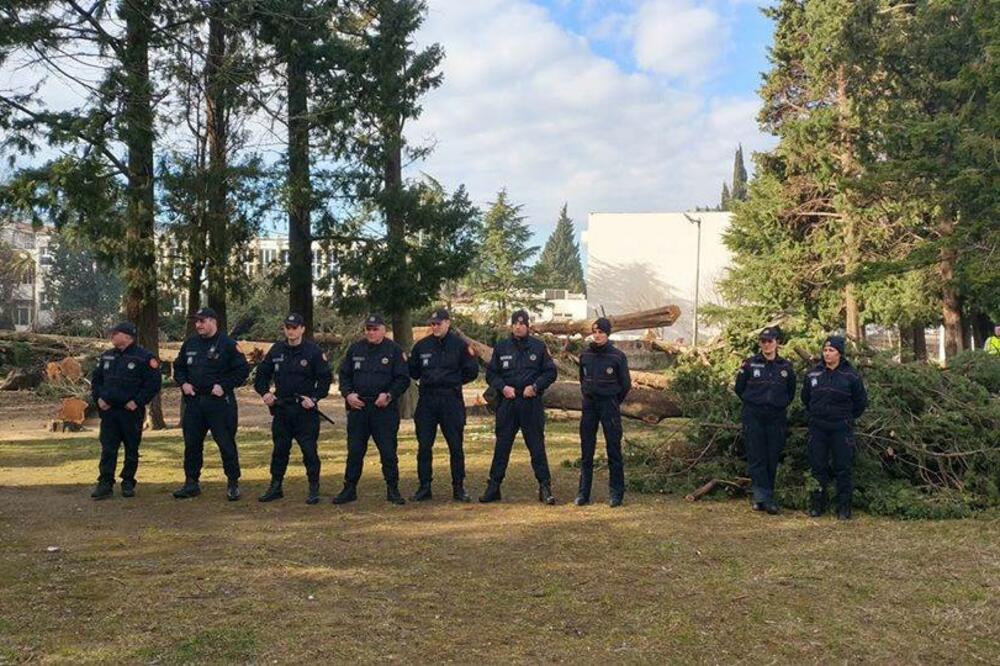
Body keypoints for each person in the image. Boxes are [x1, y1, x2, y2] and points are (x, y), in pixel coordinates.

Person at [479, 310, 558, 504]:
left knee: (536, 446)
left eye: (522, 323)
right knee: (502, 446)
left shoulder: (538, 347)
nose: (518, 326)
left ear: (528, 326)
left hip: (530, 403)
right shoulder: (502, 347)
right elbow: (491, 374)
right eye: (515, 323)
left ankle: (545, 487)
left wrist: (536, 387)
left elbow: (550, 372)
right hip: (508, 402)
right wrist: (503, 387)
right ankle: (494, 486)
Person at [172, 307, 249, 501]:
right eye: (196, 321)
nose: (198, 325)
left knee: (225, 443)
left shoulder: (228, 344)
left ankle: (233, 483)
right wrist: (183, 383)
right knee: (192, 444)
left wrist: (224, 385)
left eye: (202, 321)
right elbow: (179, 368)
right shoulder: (190, 344)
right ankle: (191, 482)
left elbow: (242, 371)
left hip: (219, 403)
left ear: (214, 322)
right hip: (195, 402)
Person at [332, 314, 411, 505]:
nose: (371, 332)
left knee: (388, 451)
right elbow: (344, 375)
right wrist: (348, 394)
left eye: (375, 329)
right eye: (368, 329)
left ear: (384, 330)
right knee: (355, 450)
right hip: (359, 408)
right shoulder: (355, 349)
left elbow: (402, 379)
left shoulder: (393, 350)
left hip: (383, 409)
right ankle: (349, 489)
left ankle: (393, 489)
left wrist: (389, 395)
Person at [254, 313, 332, 505]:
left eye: (294, 327)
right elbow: (262, 375)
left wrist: (313, 398)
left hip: (305, 412)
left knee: (309, 451)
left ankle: (314, 488)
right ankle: (275, 486)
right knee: (280, 450)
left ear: (302, 329)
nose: (291, 331)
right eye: (288, 327)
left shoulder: (313, 351)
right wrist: (265, 393)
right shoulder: (277, 350)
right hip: (282, 409)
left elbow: (325, 380)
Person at [408, 308, 479, 502]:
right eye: (432, 324)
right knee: (424, 446)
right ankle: (424, 487)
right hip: (427, 400)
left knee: (455, 446)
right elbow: (413, 370)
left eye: (438, 323)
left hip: (451, 399)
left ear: (448, 323)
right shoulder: (421, 346)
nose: (435, 327)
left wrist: (452, 381)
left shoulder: (460, 346)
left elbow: (472, 371)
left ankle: (458, 487)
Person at [89, 322, 162, 500]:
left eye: (116, 333)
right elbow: (96, 380)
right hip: (109, 412)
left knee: (131, 448)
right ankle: (105, 483)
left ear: (128, 336)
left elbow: (153, 384)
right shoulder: (107, 356)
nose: (112, 336)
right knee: (108, 448)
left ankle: (128, 481)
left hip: (130, 412)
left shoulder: (144, 357)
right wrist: (99, 399)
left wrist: (137, 402)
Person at [801, 335, 868, 520]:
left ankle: (844, 508)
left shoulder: (851, 376)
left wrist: (846, 418)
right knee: (817, 467)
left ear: (840, 354)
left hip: (841, 428)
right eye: (825, 350)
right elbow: (805, 398)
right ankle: (817, 505)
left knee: (843, 468)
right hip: (818, 428)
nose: (827, 354)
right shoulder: (814, 374)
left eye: (831, 351)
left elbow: (860, 402)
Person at [734, 326, 796, 514]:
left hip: (776, 416)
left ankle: (763, 497)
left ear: (777, 342)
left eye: (770, 341)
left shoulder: (785, 367)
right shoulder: (750, 364)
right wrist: (753, 402)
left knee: (772, 456)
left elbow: (791, 392)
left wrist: (779, 403)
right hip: (754, 415)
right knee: (756, 456)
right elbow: (739, 388)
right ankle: (763, 498)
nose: (766, 344)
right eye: (763, 341)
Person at [576, 317, 631, 507]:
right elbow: (582, 380)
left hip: (609, 405)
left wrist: (613, 401)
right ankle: (583, 493)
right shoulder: (585, 355)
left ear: (608, 334)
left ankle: (616, 493)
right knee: (586, 450)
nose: (597, 335)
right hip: (590, 406)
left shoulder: (617, 356)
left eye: (601, 332)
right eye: (595, 332)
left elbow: (625, 385)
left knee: (613, 450)